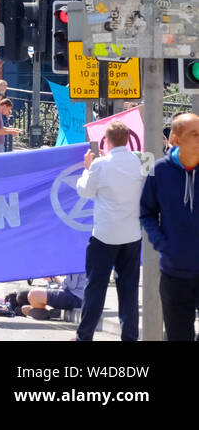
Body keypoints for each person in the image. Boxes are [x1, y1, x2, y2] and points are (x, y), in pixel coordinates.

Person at [73, 121, 144, 341]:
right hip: (132, 234)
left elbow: (84, 191)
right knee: (129, 291)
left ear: (107, 140)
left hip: (105, 235)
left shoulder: (100, 165)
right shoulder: (138, 162)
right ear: (128, 139)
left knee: (96, 288)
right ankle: (130, 337)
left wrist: (86, 169)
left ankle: (85, 336)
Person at [139, 111, 199, 340]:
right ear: (176, 138)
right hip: (175, 274)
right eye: (194, 134)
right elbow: (146, 212)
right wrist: (162, 243)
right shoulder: (160, 172)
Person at [20, 273, 87, 320]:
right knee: (22, 296)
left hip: (77, 296)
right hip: (69, 292)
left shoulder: (79, 257)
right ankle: (49, 309)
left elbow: (70, 284)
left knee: (33, 295)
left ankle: (50, 311)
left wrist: (55, 278)